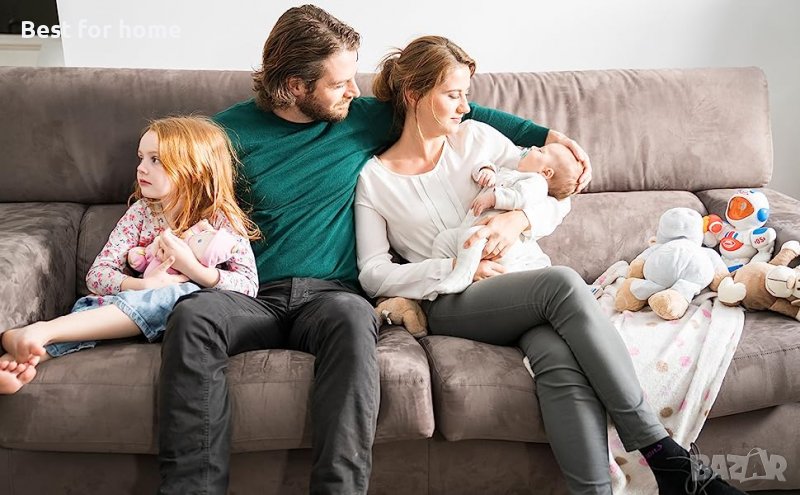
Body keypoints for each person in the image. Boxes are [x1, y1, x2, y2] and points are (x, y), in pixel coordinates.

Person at [156, 5, 592, 495]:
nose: (355, 91)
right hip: (252, 293)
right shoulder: (223, 135)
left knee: (353, 319)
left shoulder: (361, 117)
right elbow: (164, 186)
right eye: (340, 83)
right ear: (296, 86)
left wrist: (549, 139)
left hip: (331, 295)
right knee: (192, 316)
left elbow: (457, 111)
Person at [355, 35, 745, 494]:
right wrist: (453, 269)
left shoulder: (478, 139)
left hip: (525, 284)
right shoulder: (375, 181)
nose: (465, 106)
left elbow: (553, 195)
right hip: (455, 300)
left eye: (466, 94)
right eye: (452, 94)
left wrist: (519, 219)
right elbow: (373, 271)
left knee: (558, 360)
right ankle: (662, 452)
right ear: (413, 94)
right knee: (561, 283)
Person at [0, 116, 259, 395]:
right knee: (112, 311)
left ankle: (43, 332)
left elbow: (248, 286)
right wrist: (143, 285)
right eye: (141, 157)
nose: (140, 168)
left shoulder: (221, 218)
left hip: (188, 320)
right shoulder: (141, 213)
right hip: (125, 309)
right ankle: (23, 356)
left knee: (181, 294)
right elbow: (97, 276)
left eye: (155, 159)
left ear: (194, 170)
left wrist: (193, 269)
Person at [433, 142, 582, 296]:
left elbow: (521, 197)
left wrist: (494, 198)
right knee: (443, 239)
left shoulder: (537, 182)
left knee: (474, 237)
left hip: (495, 238)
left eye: (540, 151)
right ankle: (445, 278)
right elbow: (490, 169)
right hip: (472, 230)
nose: (532, 147)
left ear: (546, 172)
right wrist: (486, 170)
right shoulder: (511, 171)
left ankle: (462, 276)